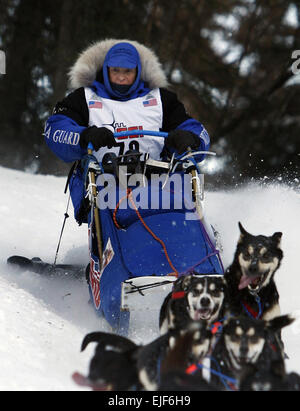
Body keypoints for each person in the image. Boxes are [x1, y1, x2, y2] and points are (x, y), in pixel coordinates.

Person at [44, 39, 215, 332]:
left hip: (157, 179)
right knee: (114, 209)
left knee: (182, 198)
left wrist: (188, 138)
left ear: (138, 73)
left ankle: (203, 266)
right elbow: (55, 129)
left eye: (128, 72)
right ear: (105, 71)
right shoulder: (84, 98)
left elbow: (195, 129)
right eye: (115, 72)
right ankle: (114, 279)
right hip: (104, 181)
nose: (121, 78)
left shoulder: (161, 100)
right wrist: (85, 135)